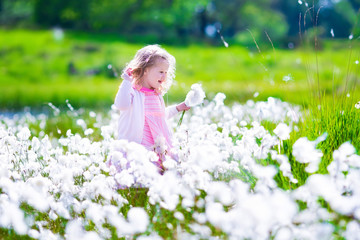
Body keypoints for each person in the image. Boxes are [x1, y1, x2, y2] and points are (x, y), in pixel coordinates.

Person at [113, 44, 190, 173]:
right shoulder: (133, 92)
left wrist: (177, 108)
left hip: (157, 145)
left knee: (158, 175)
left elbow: (160, 117)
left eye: (166, 72)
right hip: (139, 145)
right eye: (160, 72)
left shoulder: (156, 95)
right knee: (138, 175)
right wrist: (126, 80)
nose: (164, 76)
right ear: (145, 70)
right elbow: (121, 104)